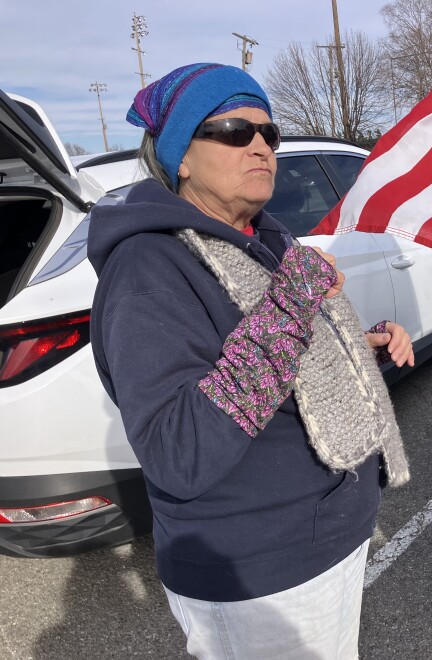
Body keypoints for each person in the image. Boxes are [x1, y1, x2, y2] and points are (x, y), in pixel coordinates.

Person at [87, 63, 414, 659]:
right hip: (260, 569)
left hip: (326, 536)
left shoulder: (266, 239)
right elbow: (177, 451)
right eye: (236, 130)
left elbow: (275, 358)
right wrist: (293, 306)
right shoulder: (149, 268)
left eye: (270, 134)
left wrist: (356, 345)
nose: (261, 145)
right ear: (182, 155)